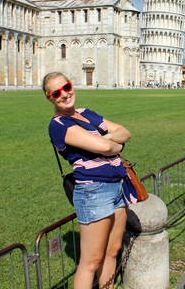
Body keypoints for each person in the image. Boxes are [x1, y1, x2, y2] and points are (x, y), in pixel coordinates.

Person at [43, 72, 135, 289]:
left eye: (66, 87)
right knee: (90, 261)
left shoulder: (86, 113)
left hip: (117, 185)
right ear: (50, 98)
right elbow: (107, 146)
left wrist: (106, 141)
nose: (64, 95)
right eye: (57, 93)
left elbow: (125, 132)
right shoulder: (59, 124)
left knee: (112, 251)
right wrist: (114, 145)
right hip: (94, 190)